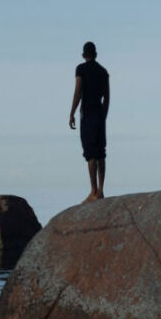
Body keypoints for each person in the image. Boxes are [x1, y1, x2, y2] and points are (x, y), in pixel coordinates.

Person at [68, 41, 109, 203]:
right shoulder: (103, 71)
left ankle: (93, 190)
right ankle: (101, 189)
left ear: (84, 55)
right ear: (96, 55)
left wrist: (71, 113)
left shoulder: (81, 69)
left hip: (87, 114)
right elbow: (107, 97)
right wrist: (104, 115)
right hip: (99, 113)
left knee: (90, 153)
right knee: (101, 152)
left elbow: (78, 91)